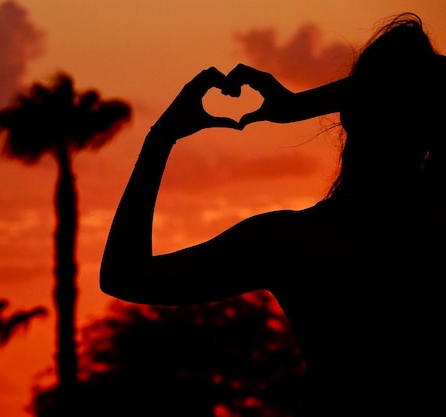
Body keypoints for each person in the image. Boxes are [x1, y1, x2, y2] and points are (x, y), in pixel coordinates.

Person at [100, 12, 446, 416]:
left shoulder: (291, 242)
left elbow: (124, 274)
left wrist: (160, 138)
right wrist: (301, 104)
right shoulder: (435, 216)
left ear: (350, 115)